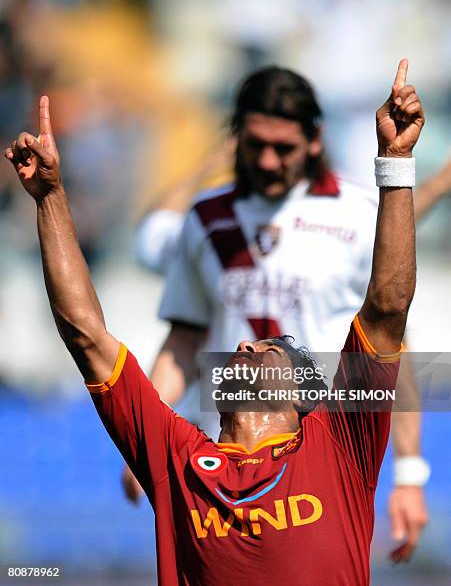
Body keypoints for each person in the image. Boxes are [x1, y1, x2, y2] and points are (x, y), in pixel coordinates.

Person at [6, 58, 424, 584]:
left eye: (269, 350)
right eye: (257, 144)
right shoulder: (178, 459)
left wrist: (396, 162)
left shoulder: (336, 444)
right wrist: (50, 198)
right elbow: (88, 334)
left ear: (300, 392)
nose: (244, 348)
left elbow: (389, 311)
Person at [127, 64, 431, 560]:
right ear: (235, 140)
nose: (268, 160)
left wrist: (410, 472)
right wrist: (146, 436)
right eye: (255, 144)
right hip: (222, 461)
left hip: (327, 454)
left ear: (314, 140)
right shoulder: (206, 218)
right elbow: (184, 339)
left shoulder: (357, 212)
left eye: (284, 147)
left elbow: (391, 345)